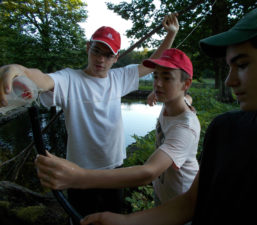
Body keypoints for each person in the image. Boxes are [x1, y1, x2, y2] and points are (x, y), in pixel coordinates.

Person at [76, 4, 257, 225]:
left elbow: (150, 171)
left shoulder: (194, 127)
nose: (228, 81)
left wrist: (78, 177)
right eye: (229, 67)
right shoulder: (225, 130)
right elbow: (191, 202)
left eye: (242, 65)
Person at [0, 14, 179, 221]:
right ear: (88, 48)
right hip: (77, 172)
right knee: (81, 219)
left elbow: (152, 63)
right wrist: (20, 70)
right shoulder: (69, 78)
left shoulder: (120, 77)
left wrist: (171, 34)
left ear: (116, 58)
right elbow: (42, 79)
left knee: (113, 219)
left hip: (114, 171)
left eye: (108, 54)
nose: (101, 59)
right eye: (96, 51)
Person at [35, 48, 200, 211]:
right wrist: (165, 93)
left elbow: (149, 172)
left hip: (183, 203)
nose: (157, 83)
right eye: (156, 76)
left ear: (185, 84)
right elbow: (186, 98)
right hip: (164, 197)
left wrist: (78, 177)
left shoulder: (185, 128)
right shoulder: (173, 106)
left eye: (167, 78)